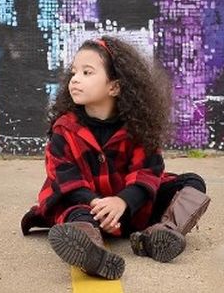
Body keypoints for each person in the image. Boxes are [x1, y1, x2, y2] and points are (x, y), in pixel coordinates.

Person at [20, 36, 211, 280]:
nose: (75, 79)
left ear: (115, 87)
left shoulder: (137, 127)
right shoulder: (64, 130)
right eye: (74, 72)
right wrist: (101, 208)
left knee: (193, 183)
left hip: (132, 206)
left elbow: (148, 172)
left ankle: (159, 234)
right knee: (75, 212)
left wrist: (122, 203)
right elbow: (67, 182)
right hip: (86, 205)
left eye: (87, 73)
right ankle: (92, 252)